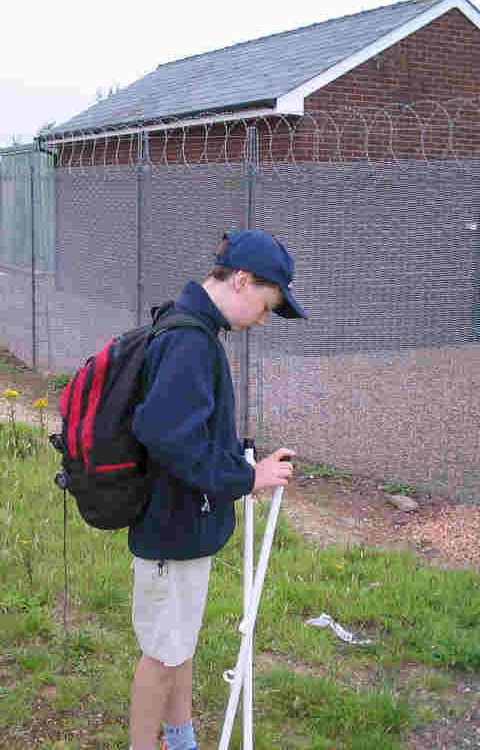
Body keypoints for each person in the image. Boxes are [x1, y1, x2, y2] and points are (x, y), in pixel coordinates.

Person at [128, 229, 307, 750]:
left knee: (177, 643)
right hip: (171, 527)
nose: (264, 319)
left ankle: (180, 739)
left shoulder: (194, 331)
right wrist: (247, 478)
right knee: (161, 654)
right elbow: (166, 436)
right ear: (244, 281)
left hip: (184, 523)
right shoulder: (189, 340)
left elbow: (191, 433)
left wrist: (242, 466)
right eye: (268, 306)